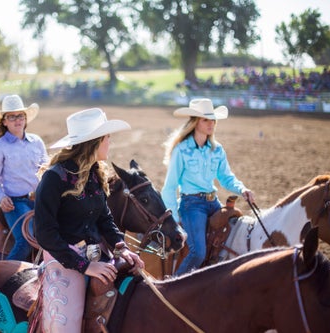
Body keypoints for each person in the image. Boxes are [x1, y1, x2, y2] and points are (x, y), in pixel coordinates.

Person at [34, 108, 145, 333]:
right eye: (107, 137)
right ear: (94, 142)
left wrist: (121, 248)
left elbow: (104, 217)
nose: (110, 141)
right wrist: (85, 266)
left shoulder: (95, 174)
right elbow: (44, 233)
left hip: (97, 254)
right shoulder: (54, 178)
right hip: (62, 259)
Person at [161, 98, 255, 276]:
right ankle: (173, 285)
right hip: (192, 205)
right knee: (198, 252)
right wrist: (173, 219)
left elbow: (226, 178)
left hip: (214, 203)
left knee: (229, 241)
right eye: (206, 120)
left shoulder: (217, 150)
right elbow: (169, 187)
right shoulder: (181, 150)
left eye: (213, 120)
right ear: (195, 122)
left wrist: (242, 189)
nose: (211, 123)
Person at [0, 94, 48, 261]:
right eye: (12, 117)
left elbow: (46, 170)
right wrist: (1, 196)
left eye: (20, 115)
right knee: (25, 242)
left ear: (25, 119)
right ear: (4, 121)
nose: (17, 120)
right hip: (15, 203)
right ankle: (5, 281)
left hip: (40, 200)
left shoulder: (37, 142)